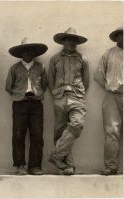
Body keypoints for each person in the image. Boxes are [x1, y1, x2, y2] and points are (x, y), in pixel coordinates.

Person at [48, 27, 89, 175]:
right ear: (63, 41)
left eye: (74, 40)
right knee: (61, 132)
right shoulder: (55, 59)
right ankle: (67, 166)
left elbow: (86, 81)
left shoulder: (82, 59)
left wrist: (78, 94)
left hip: (76, 97)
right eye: (69, 39)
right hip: (59, 97)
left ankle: (56, 155)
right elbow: (50, 80)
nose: (72, 42)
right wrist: (55, 93)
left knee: (77, 124)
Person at [5, 37, 48, 175]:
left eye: (31, 51)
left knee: (37, 135)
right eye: (25, 51)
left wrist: (37, 94)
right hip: (19, 104)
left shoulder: (41, 67)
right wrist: (19, 94)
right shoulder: (15, 68)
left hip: (36, 104)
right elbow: (8, 86)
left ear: (34, 53)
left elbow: (45, 84)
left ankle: (34, 166)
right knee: (18, 134)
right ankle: (20, 166)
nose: (28, 53)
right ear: (21, 53)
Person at [94, 27, 123, 175]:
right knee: (112, 131)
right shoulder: (109, 53)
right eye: (121, 35)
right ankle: (111, 167)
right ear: (117, 37)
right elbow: (98, 75)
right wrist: (109, 86)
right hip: (112, 96)